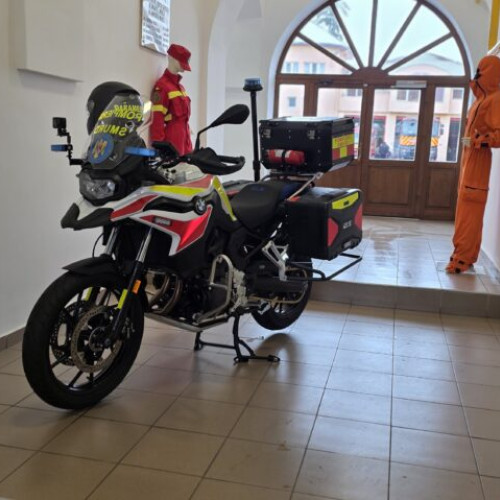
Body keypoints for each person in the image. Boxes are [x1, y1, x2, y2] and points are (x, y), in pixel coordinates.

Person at [446, 55, 500, 273]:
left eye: (481, 70)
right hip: (468, 163)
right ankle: (464, 255)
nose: (477, 74)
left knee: (470, 214)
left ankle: (462, 258)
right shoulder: (479, 100)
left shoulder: (495, 100)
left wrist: (478, 141)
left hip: (478, 165)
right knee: (465, 212)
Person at [150, 43, 192, 155]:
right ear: (171, 58)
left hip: (185, 139)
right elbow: (157, 118)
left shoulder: (181, 88)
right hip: (172, 140)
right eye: (181, 62)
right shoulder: (162, 86)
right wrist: (159, 146)